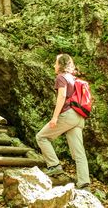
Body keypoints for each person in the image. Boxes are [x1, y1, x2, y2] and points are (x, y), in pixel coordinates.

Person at [36, 54, 90, 190]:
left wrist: (54, 117)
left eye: (55, 63)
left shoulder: (61, 77)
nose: (54, 66)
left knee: (41, 137)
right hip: (79, 117)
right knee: (79, 152)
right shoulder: (74, 78)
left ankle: (54, 165)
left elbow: (62, 96)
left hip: (68, 114)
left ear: (60, 65)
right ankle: (84, 183)